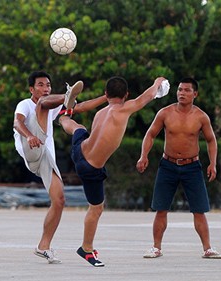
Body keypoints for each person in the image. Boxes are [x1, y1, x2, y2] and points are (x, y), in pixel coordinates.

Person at [59, 76, 168, 267]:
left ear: (106, 94)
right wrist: (157, 82)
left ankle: (63, 117)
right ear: (126, 95)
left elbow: (84, 108)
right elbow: (147, 97)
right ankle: (86, 248)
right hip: (90, 168)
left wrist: (77, 106)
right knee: (96, 209)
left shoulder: (101, 113)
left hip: (79, 152)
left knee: (78, 128)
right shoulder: (124, 109)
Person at [13, 71, 108, 264]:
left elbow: (79, 107)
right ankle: (66, 96)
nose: (46, 88)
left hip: (45, 158)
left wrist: (106, 98)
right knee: (43, 104)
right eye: (41, 85)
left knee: (59, 200)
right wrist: (29, 135)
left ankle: (43, 247)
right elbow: (17, 122)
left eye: (48, 85)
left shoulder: (50, 105)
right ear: (32, 89)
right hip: (30, 149)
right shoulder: (25, 103)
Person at [136, 77, 221, 259]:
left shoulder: (201, 116)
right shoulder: (165, 113)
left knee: (199, 210)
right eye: (179, 90)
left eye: (186, 90)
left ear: (195, 94)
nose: (181, 93)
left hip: (192, 167)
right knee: (161, 209)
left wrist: (213, 163)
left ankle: (207, 248)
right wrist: (143, 155)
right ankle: (156, 247)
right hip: (167, 165)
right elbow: (150, 134)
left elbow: (211, 140)